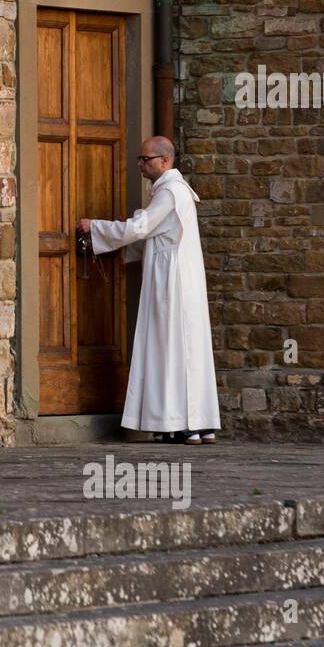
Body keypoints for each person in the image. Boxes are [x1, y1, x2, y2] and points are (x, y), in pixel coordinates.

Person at [78, 136, 221, 444]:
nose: (141, 165)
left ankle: (179, 424)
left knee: (168, 347)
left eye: (145, 159)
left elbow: (141, 227)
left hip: (171, 283)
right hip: (181, 279)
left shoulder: (170, 192)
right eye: (140, 159)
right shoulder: (174, 192)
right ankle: (198, 423)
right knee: (185, 349)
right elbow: (153, 238)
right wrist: (116, 250)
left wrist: (97, 227)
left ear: (164, 161)